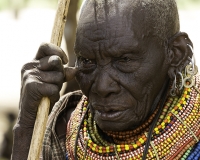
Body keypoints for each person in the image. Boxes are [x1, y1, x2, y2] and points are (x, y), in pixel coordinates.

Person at [11, 0, 200, 159]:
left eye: (124, 60)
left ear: (176, 54)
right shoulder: (63, 127)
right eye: (86, 61)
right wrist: (27, 126)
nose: (102, 87)